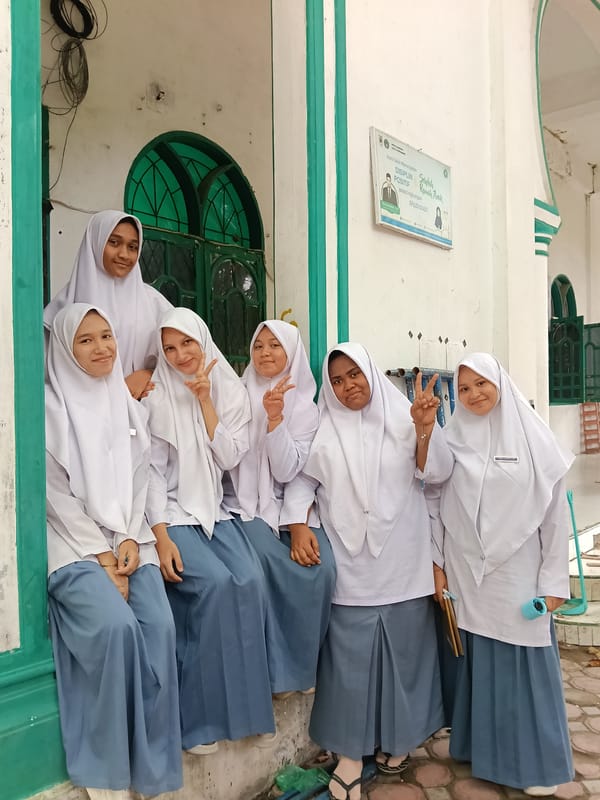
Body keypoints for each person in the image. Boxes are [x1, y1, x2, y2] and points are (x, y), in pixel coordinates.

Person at [281, 343, 450, 800]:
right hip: (352, 567)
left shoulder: (405, 418)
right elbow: (300, 479)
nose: (347, 385)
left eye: (354, 374)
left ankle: (400, 742)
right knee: (349, 667)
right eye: (337, 380)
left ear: (371, 374)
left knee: (407, 661)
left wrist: (424, 430)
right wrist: (298, 525)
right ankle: (350, 756)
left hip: (404, 562)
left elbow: (435, 474)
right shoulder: (325, 429)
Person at [45, 303, 182, 800]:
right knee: (115, 627)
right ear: (65, 347)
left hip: (127, 538)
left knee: (160, 627)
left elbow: (143, 473)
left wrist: (126, 537)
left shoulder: (124, 402)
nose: (101, 347)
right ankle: (106, 775)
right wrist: (101, 556)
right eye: (86, 340)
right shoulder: (50, 406)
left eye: (106, 336)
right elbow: (52, 496)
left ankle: (153, 770)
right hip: (73, 545)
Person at [422, 353, 574, 797]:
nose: (473, 395)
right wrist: (439, 566)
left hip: (519, 574)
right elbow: (431, 493)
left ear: (500, 383)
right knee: (480, 660)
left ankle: (536, 766)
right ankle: (481, 754)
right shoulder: (454, 439)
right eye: (464, 388)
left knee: (525, 663)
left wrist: (553, 583)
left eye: (481, 384)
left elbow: (554, 520)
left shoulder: (535, 440)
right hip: (469, 574)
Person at [143, 307, 275, 753]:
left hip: (214, 512)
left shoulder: (230, 390)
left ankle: (246, 711)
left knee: (252, 581)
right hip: (172, 515)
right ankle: (197, 723)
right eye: (170, 348)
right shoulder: (156, 397)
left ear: (204, 340)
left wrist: (204, 400)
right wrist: (160, 538)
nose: (180, 355)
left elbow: (230, 458)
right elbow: (151, 477)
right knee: (215, 585)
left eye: (187, 343)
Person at [224, 320, 336, 698]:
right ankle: (278, 675)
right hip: (243, 504)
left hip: (292, 503)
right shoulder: (236, 397)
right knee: (270, 564)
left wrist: (275, 421)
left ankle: (304, 667)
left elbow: (293, 472)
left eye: (276, 346)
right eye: (259, 346)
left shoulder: (307, 409)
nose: (266, 353)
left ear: (292, 353)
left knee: (320, 569)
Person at [44, 209, 172, 399]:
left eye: (132, 247)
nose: (124, 254)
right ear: (95, 242)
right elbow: (47, 371)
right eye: (114, 242)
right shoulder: (66, 304)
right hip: (85, 414)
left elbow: (185, 354)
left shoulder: (153, 303)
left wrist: (148, 374)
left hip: (143, 411)